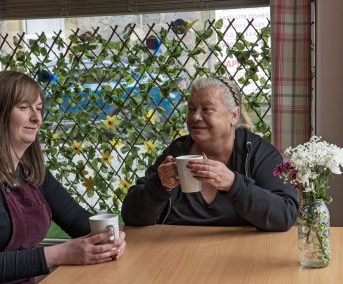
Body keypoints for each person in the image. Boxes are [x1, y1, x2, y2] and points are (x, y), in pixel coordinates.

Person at [0, 71, 126, 284]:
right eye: (24, 107)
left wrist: (112, 238)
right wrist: (60, 253)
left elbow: (78, 221)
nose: (36, 118)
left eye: (38, 108)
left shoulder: (31, 169)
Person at [121, 76, 298, 231]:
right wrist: (160, 186)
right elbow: (132, 217)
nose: (195, 117)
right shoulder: (177, 152)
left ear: (234, 116)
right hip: (176, 255)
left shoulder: (258, 154)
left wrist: (233, 183)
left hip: (240, 257)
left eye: (207, 109)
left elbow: (285, 215)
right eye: (191, 109)